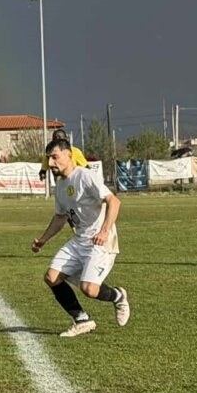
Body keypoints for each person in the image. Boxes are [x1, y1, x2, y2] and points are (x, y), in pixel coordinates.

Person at [32, 138, 129, 337]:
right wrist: (43, 240)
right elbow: (60, 217)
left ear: (69, 155)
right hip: (79, 240)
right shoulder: (60, 186)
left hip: (100, 241)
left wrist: (104, 231)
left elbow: (114, 201)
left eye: (54, 158)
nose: (50, 163)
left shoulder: (85, 176)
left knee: (89, 290)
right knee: (52, 277)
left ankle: (118, 296)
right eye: (48, 159)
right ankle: (82, 320)